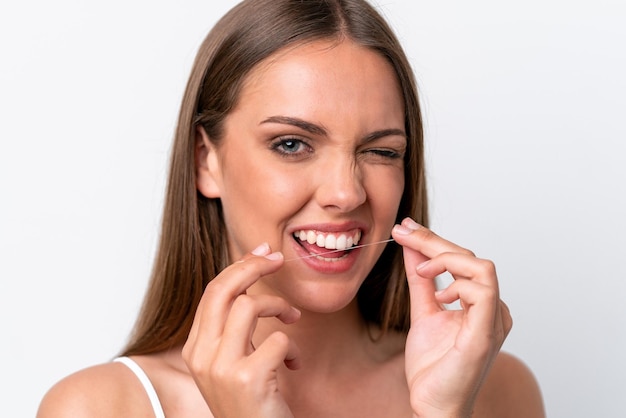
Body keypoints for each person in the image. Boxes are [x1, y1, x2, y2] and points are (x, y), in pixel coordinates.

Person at [38, 0, 545, 416]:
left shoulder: (491, 387)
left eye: (381, 151)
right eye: (291, 144)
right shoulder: (100, 407)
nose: (346, 194)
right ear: (205, 161)